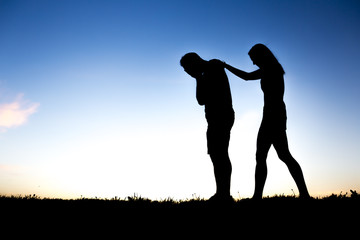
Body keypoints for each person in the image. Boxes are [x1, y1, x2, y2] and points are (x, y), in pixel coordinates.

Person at [223, 44, 310, 199]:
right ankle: (301, 194)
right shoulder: (272, 68)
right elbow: (249, 76)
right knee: (277, 155)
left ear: (261, 56)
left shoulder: (271, 68)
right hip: (272, 114)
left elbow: (247, 76)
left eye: (253, 59)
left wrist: (225, 65)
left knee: (273, 155)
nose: (253, 62)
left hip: (273, 115)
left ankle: (260, 196)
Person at [180, 52, 235, 203]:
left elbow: (203, 98)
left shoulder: (213, 66)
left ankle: (224, 194)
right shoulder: (205, 72)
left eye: (187, 68)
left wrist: (199, 78)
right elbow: (200, 100)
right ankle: (221, 193)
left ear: (194, 63)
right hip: (214, 119)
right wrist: (198, 77)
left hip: (221, 116)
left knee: (220, 154)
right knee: (216, 155)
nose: (187, 72)